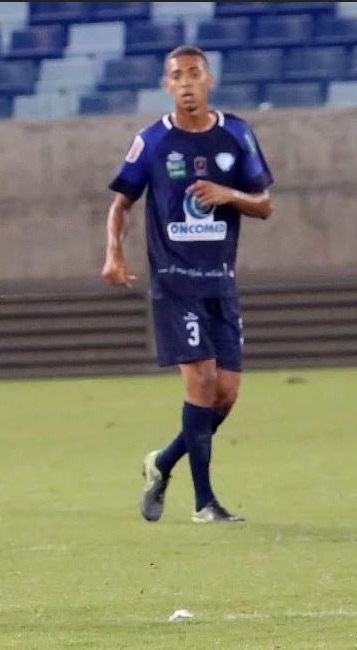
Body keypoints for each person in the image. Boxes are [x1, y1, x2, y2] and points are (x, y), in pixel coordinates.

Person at [101, 45, 273, 525]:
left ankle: (163, 461)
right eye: (177, 76)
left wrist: (229, 194)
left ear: (209, 80)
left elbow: (264, 204)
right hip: (174, 282)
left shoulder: (237, 134)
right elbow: (121, 203)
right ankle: (205, 504)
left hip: (221, 280)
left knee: (226, 394)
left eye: (194, 74)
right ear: (166, 85)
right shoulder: (153, 140)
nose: (186, 83)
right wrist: (114, 253)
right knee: (200, 384)